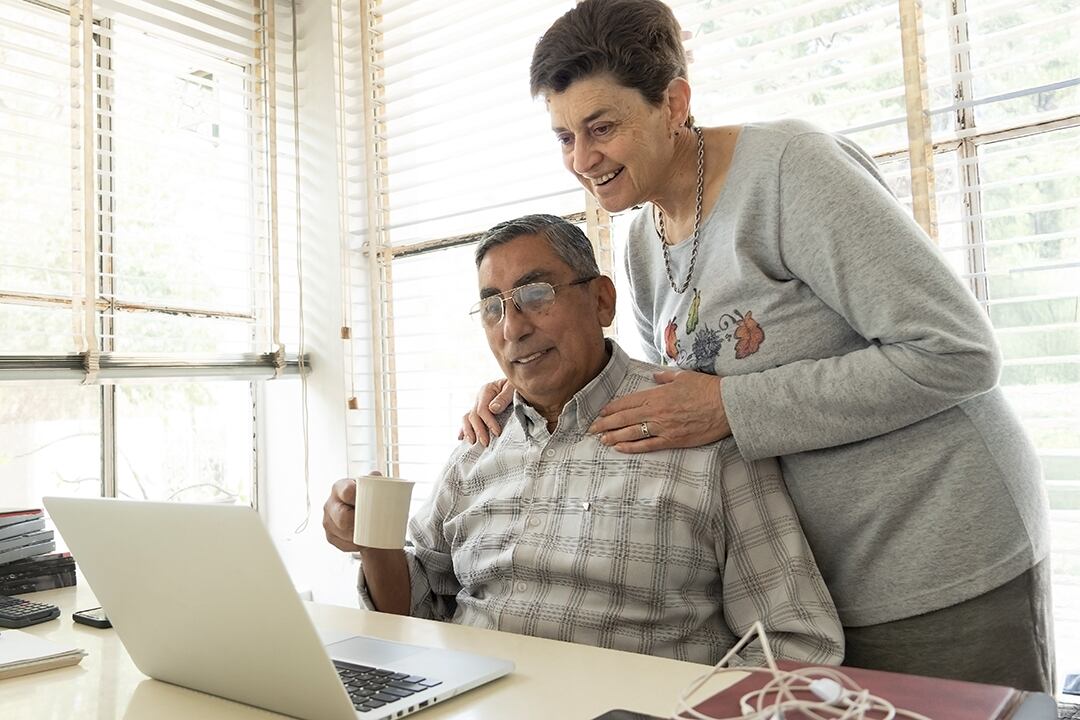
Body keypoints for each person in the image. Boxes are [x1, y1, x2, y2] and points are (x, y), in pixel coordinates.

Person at [458, 0, 1053, 692]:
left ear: (673, 104)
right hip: (810, 588)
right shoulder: (644, 244)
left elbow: (957, 352)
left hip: (938, 553)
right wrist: (529, 390)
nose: (582, 160)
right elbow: (666, 405)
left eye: (602, 128)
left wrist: (732, 405)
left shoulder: (790, 171)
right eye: (565, 137)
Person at [324, 214, 844, 666]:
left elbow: (795, 644)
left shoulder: (692, 423)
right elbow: (413, 611)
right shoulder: (481, 438)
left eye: (535, 295)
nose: (512, 329)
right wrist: (373, 543)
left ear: (601, 300)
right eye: (492, 308)